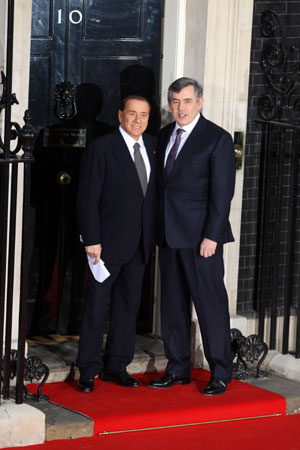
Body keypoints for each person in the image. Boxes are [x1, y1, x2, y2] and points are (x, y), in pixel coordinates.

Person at [148, 77, 235, 396]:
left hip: (202, 240)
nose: (179, 108)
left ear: (199, 102)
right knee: (172, 306)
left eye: (186, 101)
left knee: (210, 305)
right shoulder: (164, 135)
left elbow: (222, 194)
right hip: (169, 235)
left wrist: (212, 236)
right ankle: (178, 368)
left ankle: (221, 372)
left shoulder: (217, 138)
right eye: (174, 101)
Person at [76, 95, 157, 392]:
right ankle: (88, 369)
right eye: (132, 114)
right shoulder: (102, 148)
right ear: (120, 115)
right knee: (97, 306)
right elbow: (88, 198)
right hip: (105, 245)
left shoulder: (153, 146)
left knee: (128, 306)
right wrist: (92, 240)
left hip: (139, 244)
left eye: (144, 115)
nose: (138, 120)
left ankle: (117, 365)